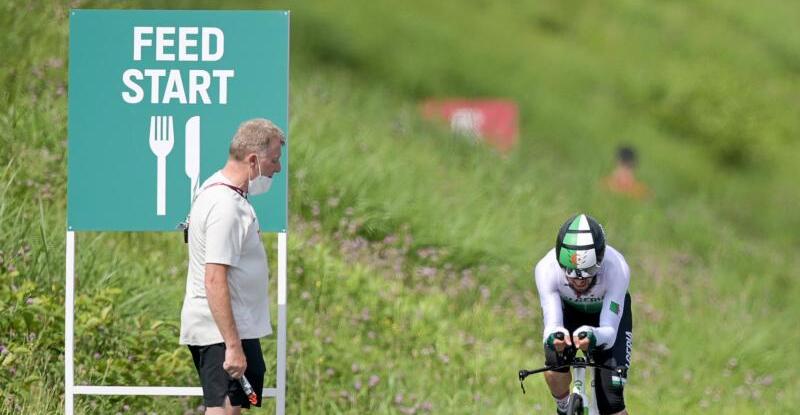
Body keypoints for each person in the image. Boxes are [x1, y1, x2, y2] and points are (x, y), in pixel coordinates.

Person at [180, 118, 285, 415]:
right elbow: (214, 278)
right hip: (220, 331)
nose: (277, 169)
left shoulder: (219, 192)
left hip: (233, 326)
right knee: (223, 410)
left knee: (234, 408)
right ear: (253, 160)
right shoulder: (225, 206)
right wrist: (232, 345)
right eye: (274, 160)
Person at [534, 214, 632, 415]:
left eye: (588, 272)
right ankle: (563, 408)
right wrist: (555, 336)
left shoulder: (617, 268)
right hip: (568, 313)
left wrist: (594, 335)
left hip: (604, 321)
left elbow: (610, 332)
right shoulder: (546, 269)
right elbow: (552, 323)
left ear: (600, 260)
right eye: (570, 271)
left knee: (612, 399)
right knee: (554, 360)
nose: (579, 281)